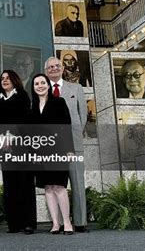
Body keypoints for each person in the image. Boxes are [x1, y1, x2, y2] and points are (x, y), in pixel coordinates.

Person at [0, 70, 36, 234]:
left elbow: (24, 120)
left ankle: (28, 223)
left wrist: (9, 136)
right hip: (5, 149)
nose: (4, 80)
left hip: (22, 147)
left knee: (25, 184)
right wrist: (0, 139)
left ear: (15, 80)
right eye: (2, 78)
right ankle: (14, 224)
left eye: (8, 78)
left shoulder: (22, 97)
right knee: (10, 185)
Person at [45, 57, 88, 233]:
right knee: (53, 185)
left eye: (57, 66)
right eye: (50, 67)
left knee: (77, 182)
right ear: (46, 71)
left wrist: (74, 136)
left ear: (62, 69)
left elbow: (82, 116)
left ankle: (80, 222)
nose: (54, 69)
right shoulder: (41, 90)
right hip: (52, 147)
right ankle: (58, 222)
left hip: (73, 144)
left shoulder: (76, 88)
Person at [30, 73, 74, 235]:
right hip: (40, 153)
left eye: (43, 83)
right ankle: (56, 224)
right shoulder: (32, 106)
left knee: (59, 186)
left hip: (59, 149)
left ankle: (67, 223)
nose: (40, 86)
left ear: (48, 85)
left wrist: (69, 149)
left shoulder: (59, 102)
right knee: (48, 187)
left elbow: (66, 126)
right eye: (36, 84)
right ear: (33, 88)